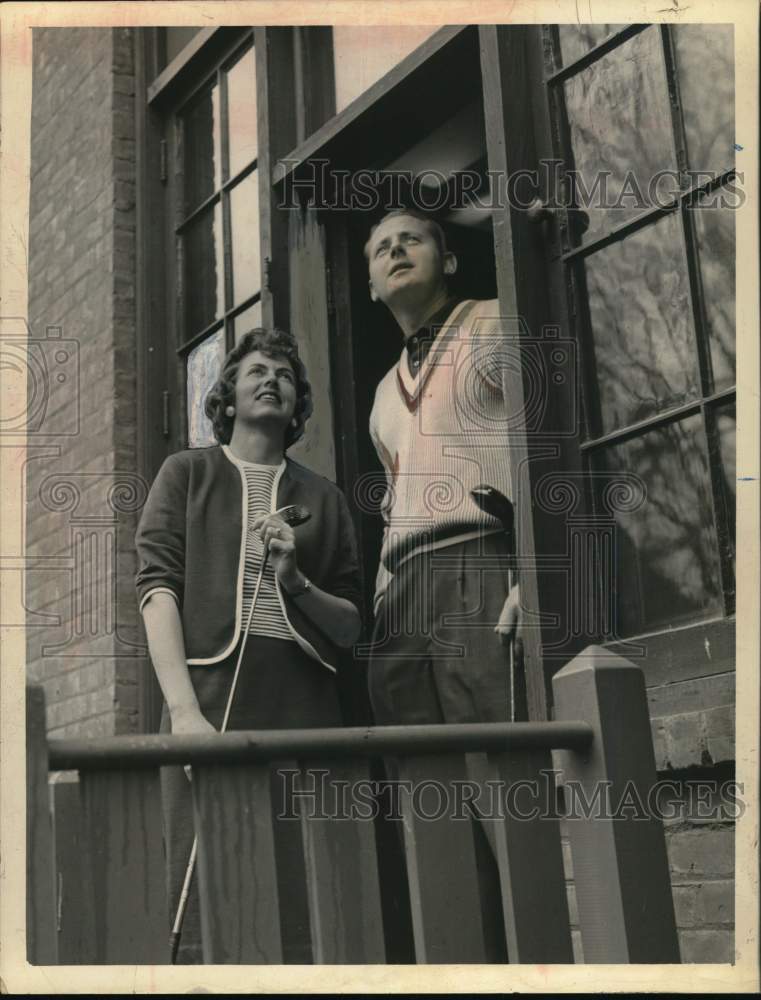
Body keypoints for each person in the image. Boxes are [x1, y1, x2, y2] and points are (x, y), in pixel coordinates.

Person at [135, 328, 362, 964]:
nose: (272, 380)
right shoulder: (186, 474)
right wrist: (182, 712)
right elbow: (156, 590)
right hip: (205, 703)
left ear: (297, 405)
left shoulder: (325, 497)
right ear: (228, 397)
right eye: (257, 370)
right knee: (204, 898)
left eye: (286, 376)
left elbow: (349, 627)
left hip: (304, 710)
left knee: (309, 902)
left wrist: (295, 582)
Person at [364, 208, 520, 961]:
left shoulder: (494, 322)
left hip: (478, 562)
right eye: (380, 248)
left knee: (498, 785)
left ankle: (532, 959)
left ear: (448, 260)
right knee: (429, 803)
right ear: (368, 283)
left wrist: (531, 568)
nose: (395, 251)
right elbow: (395, 502)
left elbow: (543, 446)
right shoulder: (380, 398)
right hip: (402, 595)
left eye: (411, 240)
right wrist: (378, 601)